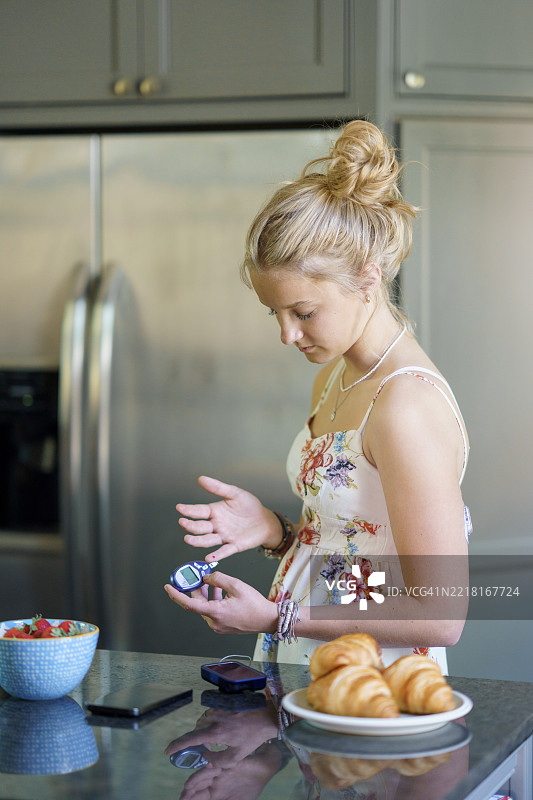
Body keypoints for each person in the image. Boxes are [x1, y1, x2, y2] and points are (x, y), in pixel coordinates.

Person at [164, 120, 470, 672]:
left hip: (375, 685)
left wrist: (278, 616)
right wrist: (277, 532)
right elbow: (356, 554)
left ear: (367, 279)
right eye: (275, 313)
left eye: (303, 312)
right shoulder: (334, 377)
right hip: (310, 671)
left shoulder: (406, 408)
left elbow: (442, 615)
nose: (287, 334)